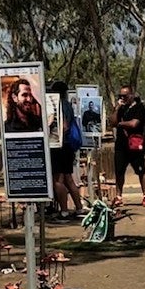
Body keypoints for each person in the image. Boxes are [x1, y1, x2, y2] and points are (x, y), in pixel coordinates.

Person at [48, 81, 82, 220]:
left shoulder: (58, 105)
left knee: (58, 180)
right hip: (68, 147)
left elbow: (64, 126)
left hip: (59, 146)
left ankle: (64, 211)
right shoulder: (67, 104)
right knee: (69, 179)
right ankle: (79, 208)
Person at [113, 85, 145, 207]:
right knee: (119, 172)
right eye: (120, 96)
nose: (122, 98)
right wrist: (117, 108)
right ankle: (119, 196)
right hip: (121, 145)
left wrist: (120, 124)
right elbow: (112, 122)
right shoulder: (121, 109)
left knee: (141, 171)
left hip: (134, 144)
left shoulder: (139, 107)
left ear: (131, 95)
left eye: (125, 96)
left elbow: (134, 124)